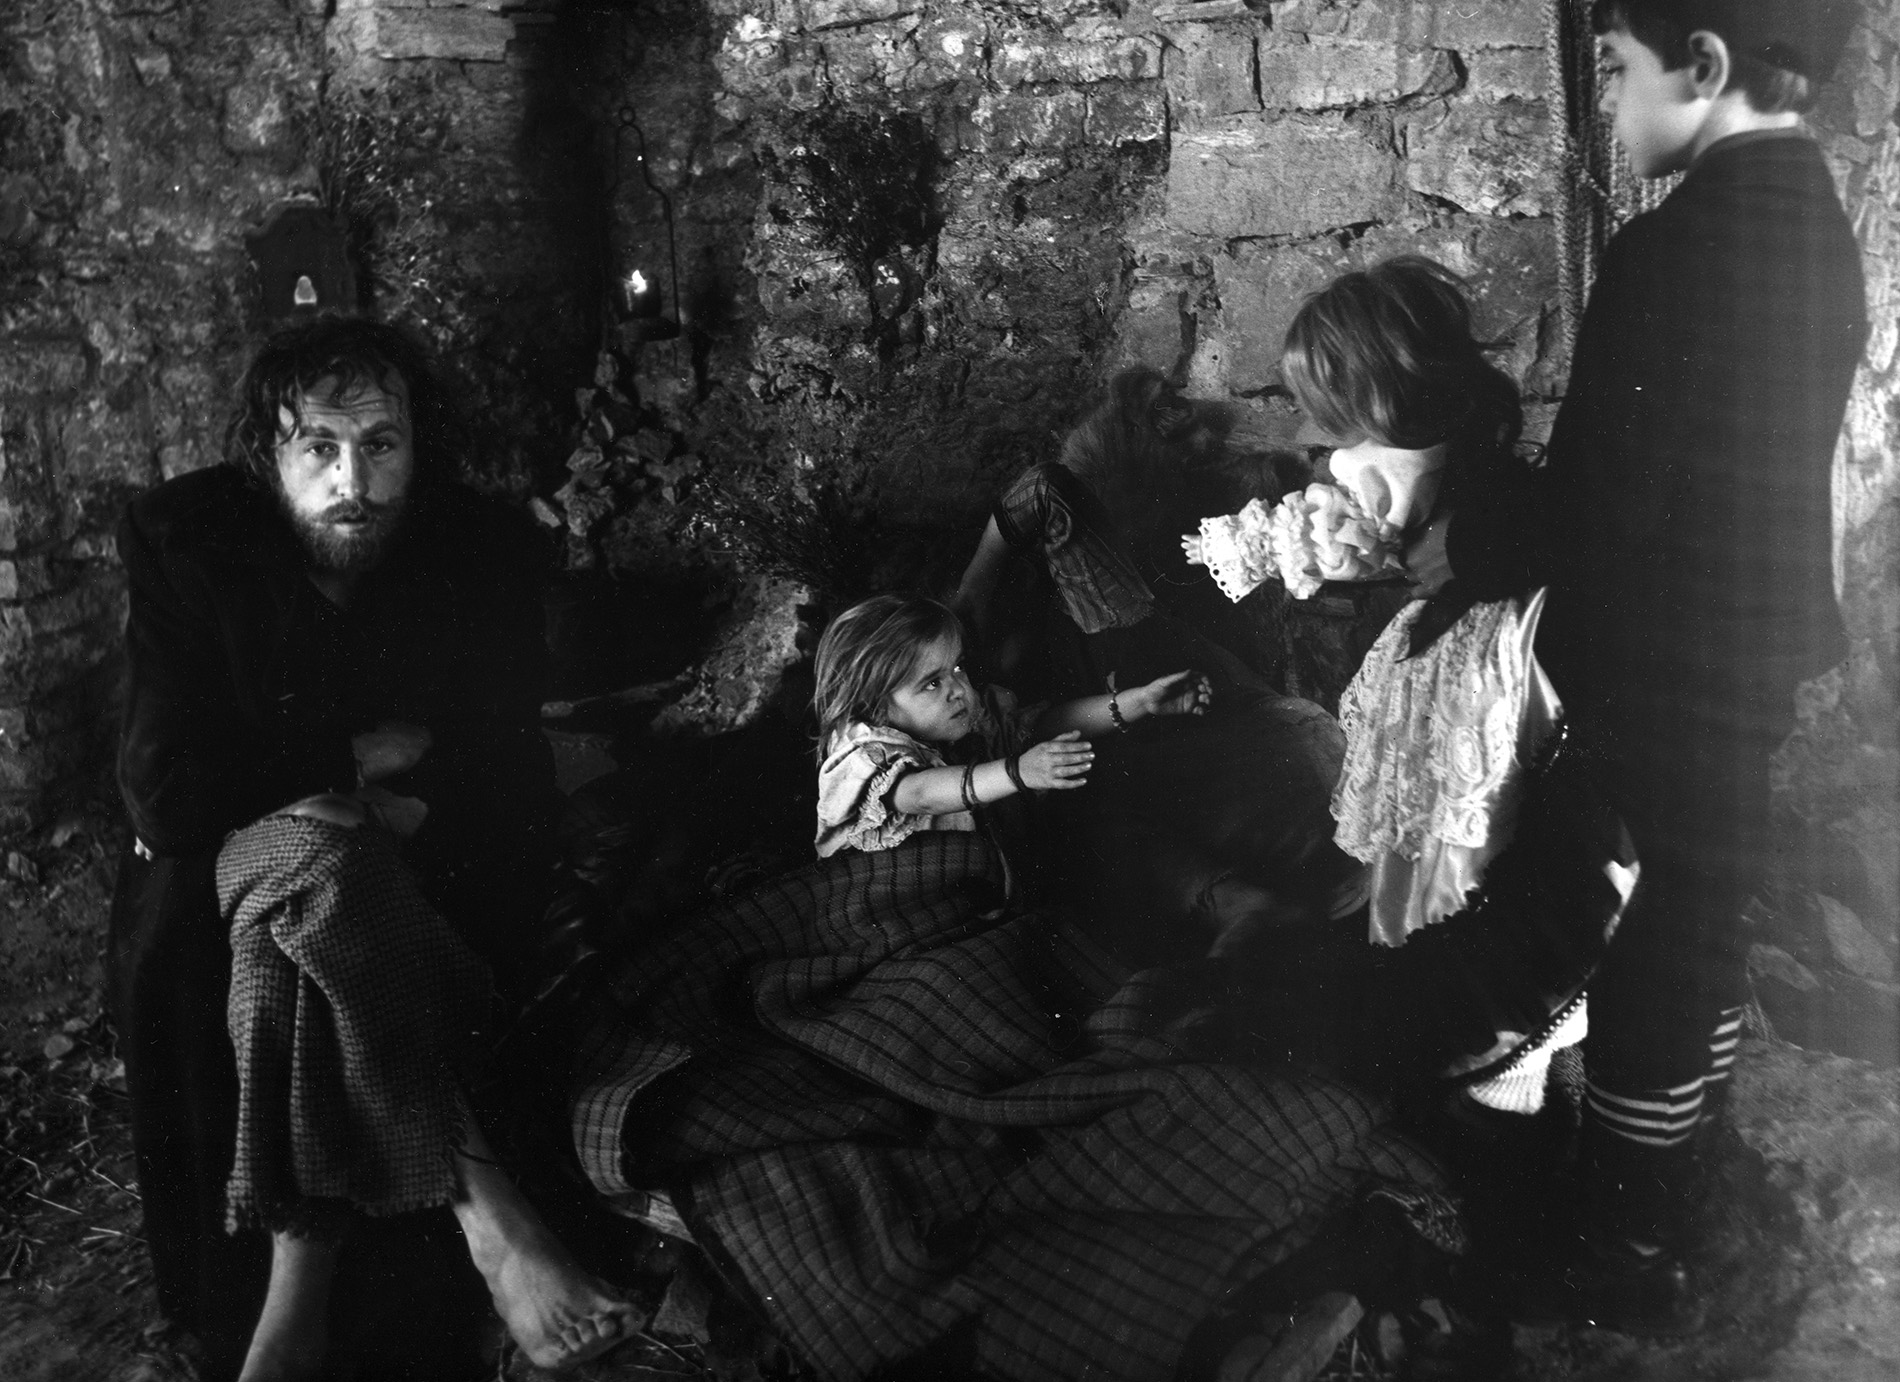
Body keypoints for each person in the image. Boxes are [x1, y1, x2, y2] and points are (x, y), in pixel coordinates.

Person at [1408, 0, 1868, 1332]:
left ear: (1705, 66)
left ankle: (1620, 1241)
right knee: (1698, 918)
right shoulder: (1815, 225)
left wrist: (1462, 514)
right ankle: (1660, 1197)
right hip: (1749, 647)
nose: (1605, 109)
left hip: (1659, 661)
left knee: (1637, 940)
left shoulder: (1673, 250)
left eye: (1614, 72)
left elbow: (1597, 511)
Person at [109, 316, 638, 1380]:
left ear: (415, 445)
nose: (353, 480)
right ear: (267, 454)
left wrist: (395, 814)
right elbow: (163, 791)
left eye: (381, 444)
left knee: (320, 903)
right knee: (321, 870)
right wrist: (343, 762)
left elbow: (507, 758)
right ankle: (494, 1218)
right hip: (217, 861)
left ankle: (287, 1308)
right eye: (319, 446)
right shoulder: (187, 539)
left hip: (389, 862)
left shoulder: (477, 546)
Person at [1185, 257, 1635, 1115]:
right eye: (1330, 441)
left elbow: (1570, 877)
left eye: (1355, 434)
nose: (1336, 468)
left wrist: (1403, 1019)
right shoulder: (1424, 617)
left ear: (1431, 418)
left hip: (1493, 1026)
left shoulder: (1527, 622)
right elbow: (1412, 859)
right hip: (1426, 984)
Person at [953, 372, 1365, 961]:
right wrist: (975, 589)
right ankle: (1243, 904)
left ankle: (1251, 902)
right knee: (1111, 810)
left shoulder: (1113, 613)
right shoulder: (1029, 620)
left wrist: (977, 590)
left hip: (1131, 709)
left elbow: (1046, 494)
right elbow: (1047, 492)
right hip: (1086, 750)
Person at [811, 593, 1209, 863]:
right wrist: (1018, 772)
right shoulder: (865, 753)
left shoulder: (959, 720)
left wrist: (1139, 702)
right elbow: (921, 795)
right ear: (875, 704)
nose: (958, 689)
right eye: (932, 683)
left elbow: (1040, 728)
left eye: (957, 668)